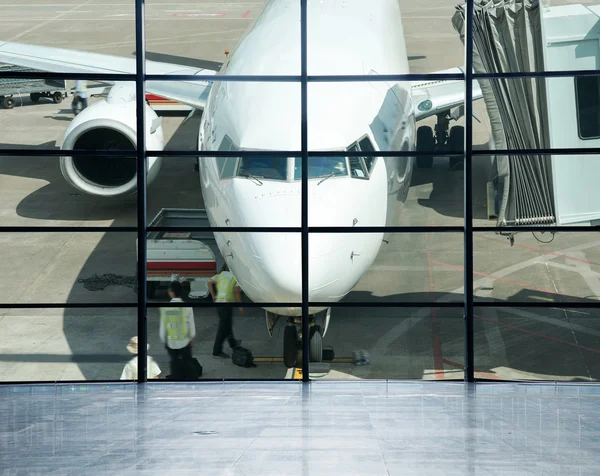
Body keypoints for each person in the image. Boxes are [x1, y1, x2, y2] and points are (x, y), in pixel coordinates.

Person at [159, 280, 196, 379]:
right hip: (184, 340)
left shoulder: (166, 308)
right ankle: (192, 379)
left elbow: (163, 327)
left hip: (171, 340)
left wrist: (164, 340)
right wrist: (191, 338)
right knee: (188, 361)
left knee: (174, 361)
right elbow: (190, 324)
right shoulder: (187, 307)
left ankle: (176, 377)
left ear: (171, 292)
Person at [207, 264, 242, 359]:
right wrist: (240, 306)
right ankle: (216, 351)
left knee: (227, 324)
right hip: (227, 304)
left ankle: (233, 343)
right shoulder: (235, 276)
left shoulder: (221, 275)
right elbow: (236, 291)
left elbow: (209, 282)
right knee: (223, 328)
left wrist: (213, 295)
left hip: (219, 303)